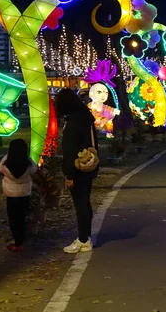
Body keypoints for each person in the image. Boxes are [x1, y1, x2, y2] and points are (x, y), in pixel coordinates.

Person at [55, 88, 99, 254]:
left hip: (77, 168)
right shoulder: (87, 119)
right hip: (88, 165)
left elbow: (69, 151)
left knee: (80, 204)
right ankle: (86, 236)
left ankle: (82, 240)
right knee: (85, 203)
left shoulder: (72, 123)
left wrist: (69, 174)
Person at [0, 139, 37, 252]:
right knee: (22, 216)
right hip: (25, 192)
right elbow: (35, 169)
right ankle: (21, 240)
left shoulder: (7, 164)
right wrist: (28, 157)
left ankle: (17, 242)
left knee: (13, 217)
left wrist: (6, 156)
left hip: (11, 193)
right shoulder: (28, 163)